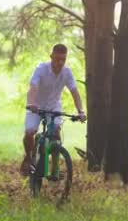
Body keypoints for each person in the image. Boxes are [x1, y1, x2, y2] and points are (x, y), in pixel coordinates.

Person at [20, 44, 86, 177]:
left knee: (56, 133)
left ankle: (55, 167)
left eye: (63, 59)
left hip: (54, 106)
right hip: (36, 105)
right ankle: (28, 157)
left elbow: (74, 92)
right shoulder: (41, 69)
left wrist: (81, 111)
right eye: (57, 59)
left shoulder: (67, 72)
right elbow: (33, 87)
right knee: (30, 132)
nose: (60, 62)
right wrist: (31, 103)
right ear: (51, 57)